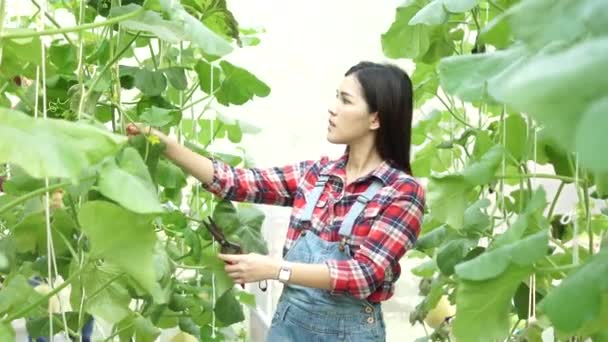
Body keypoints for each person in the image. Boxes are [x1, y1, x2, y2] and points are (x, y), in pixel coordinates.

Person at [128, 61, 425, 341]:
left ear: (376, 118)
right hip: (289, 325)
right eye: (336, 97)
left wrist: (274, 269)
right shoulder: (316, 174)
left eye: (346, 101)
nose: (332, 109)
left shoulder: (402, 192)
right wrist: (165, 145)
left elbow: (364, 274)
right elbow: (235, 183)